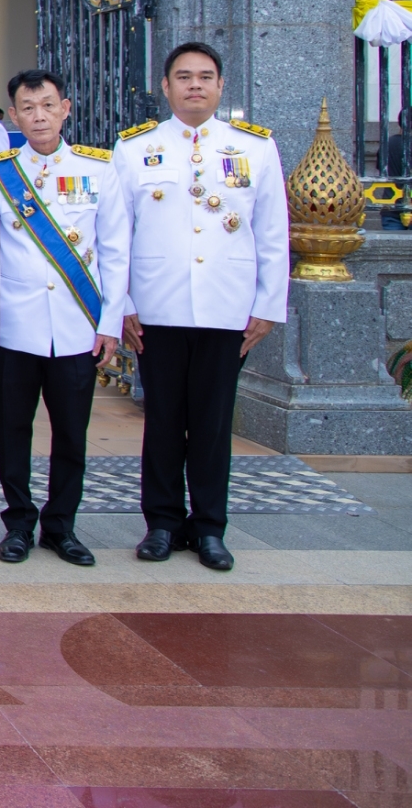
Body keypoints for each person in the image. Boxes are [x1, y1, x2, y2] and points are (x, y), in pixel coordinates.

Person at [116, 42, 288, 572]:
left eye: (205, 77)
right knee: (163, 419)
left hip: (226, 310)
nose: (195, 85)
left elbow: (274, 233)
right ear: (165, 87)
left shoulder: (255, 149)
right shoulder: (135, 148)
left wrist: (267, 306)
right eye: (184, 77)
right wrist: (120, 303)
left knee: (213, 424)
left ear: (219, 86)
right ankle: (163, 523)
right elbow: (117, 235)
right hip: (158, 309)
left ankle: (210, 527)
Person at [0, 68, 129, 568]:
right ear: (15, 114)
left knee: (71, 432)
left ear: (65, 108)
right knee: (13, 431)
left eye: (47, 105)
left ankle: (61, 525)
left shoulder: (100, 170)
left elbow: (114, 252)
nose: (39, 115)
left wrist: (110, 321)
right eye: (28, 106)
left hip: (75, 328)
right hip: (14, 328)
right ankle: (19, 522)